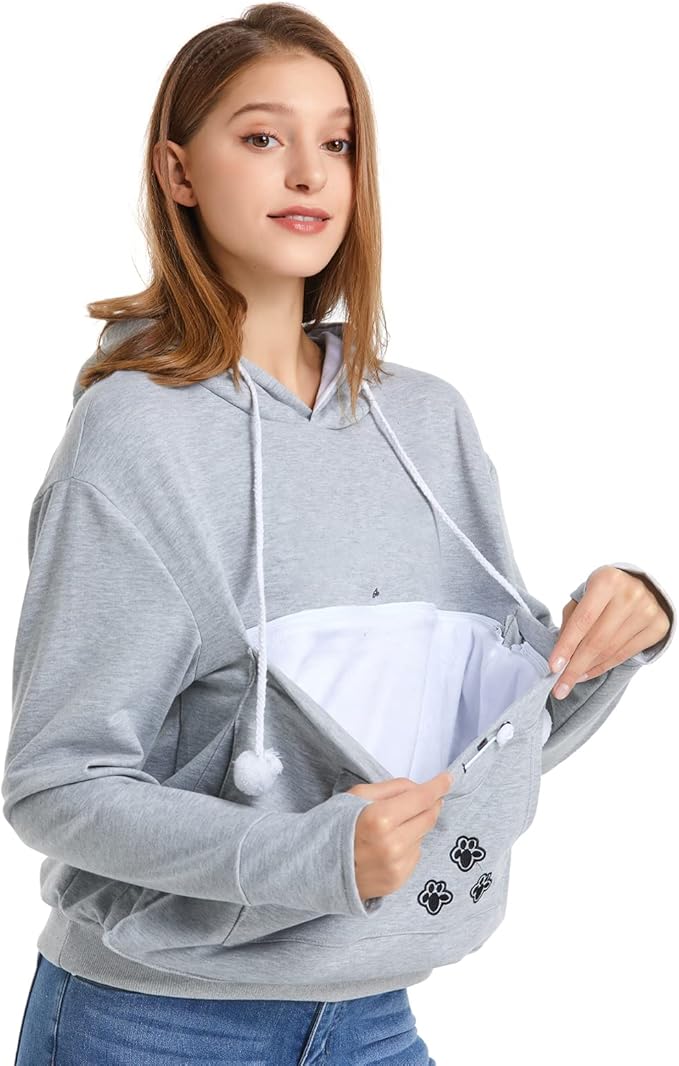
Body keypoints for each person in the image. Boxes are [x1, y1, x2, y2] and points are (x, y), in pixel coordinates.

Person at [4, 4, 674, 1064]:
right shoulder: (134, 436)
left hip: (371, 1014)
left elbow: (479, 750)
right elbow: (58, 785)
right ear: (179, 172)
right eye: (262, 136)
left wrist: (623, 628)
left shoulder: (425, 420)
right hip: (156, 1022)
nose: (309, 173)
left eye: (339, 141)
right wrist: (306, 857)